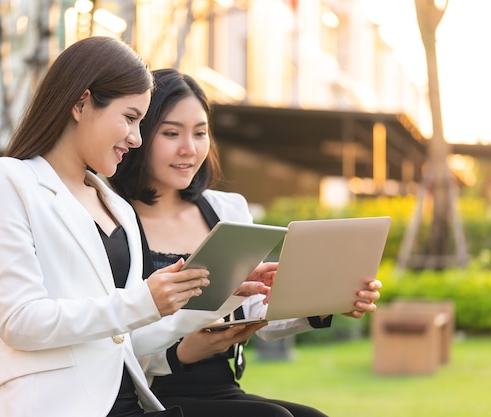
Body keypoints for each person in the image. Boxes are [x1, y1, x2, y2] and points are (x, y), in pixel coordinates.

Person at [0, 37, 269, 417]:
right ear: (81, 104)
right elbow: (21, 322)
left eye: (141, 123)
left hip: (127, 401)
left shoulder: (115, 206)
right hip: (54, 405)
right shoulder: (9, 179)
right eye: (130, 118)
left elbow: (127, 336)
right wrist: (143, 300)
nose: (137, 138)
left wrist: (225, 299)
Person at [108, 68, 382, 417]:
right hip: (152, 392)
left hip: (221, 387)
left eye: (200, 133)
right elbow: (114, 334)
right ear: (140, 135)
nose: (189, 149)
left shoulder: (225, 209)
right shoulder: (113, 217)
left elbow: (252, 313)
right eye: (171, 133)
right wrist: (181, 351)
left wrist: (323, 302)